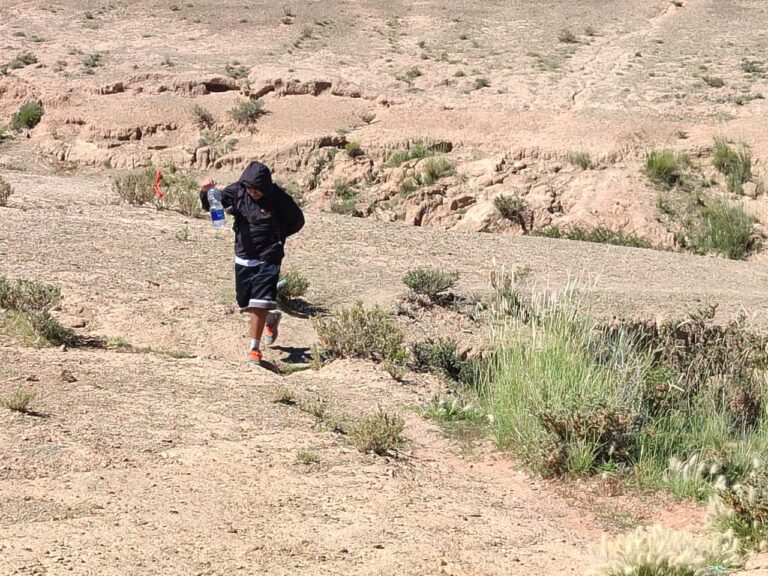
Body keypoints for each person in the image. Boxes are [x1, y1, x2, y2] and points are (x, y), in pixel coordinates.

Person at [199, 161, 304, 366]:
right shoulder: (237, 191)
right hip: (244, 255)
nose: (254, 192)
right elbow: (212, 205)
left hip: (269, 256)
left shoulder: (279, 198)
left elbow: (297, 221)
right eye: (250, 188)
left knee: (259, 303)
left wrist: (278, 236)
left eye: (258, 189)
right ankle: (270, 318)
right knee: (245, 303)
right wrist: (206, 192)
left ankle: (254, 350)